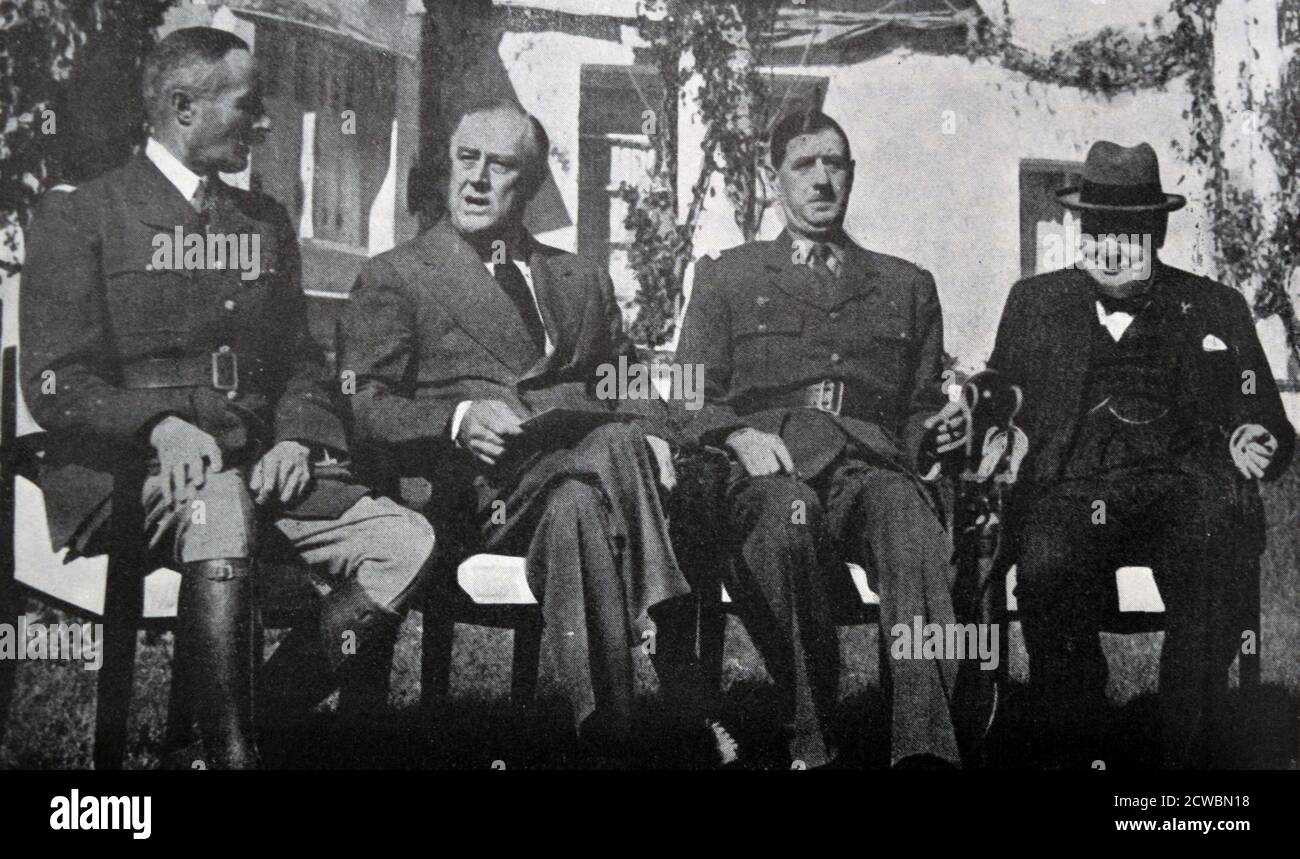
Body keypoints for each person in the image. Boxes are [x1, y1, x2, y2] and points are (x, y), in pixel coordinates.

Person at [19, 27, 435, 768]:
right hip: (132, 477)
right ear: (184, 107)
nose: (264, 122)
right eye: (248, 107)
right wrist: (160, 426)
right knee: (221, 504)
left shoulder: (263, 221)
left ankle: (225, 742)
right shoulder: (82, 216)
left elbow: (301, 359)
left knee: (406, 541)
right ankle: (234, 756)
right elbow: (56, 381)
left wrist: (297, 439)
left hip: (253, 469)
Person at [340, 99, 695, 765]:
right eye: (465, 159)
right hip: (476, 494)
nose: (475, 179)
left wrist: (655, 432)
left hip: (573, 486)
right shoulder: (397, 275)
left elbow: (627, 377)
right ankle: (680, 684)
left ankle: (605, 736)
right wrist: (455, 420)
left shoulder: (577, 275)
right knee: (612, 449)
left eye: (498, 165)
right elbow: (364, 403)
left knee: (581, 502)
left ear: (529, 186)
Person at [673, 109, 971, 768]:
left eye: (834, 164)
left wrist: (936, 428)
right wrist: (735, 435)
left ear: (852, 175)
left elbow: (918, 408)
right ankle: (813, 741)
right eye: (804, 165)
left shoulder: (906, 284)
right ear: (772, 176)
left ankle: (926, 749)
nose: (821, 181)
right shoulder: (728, 275)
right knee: (783, 523)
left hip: (868, 468)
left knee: (910, 521)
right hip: (768, 469)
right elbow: (690, 393)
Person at [987, 140, 1294, 768]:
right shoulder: (1035, 305)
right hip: (1073, 487)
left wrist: (1254, 435)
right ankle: (1081, 743)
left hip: (1184, 485)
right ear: (1079, 228)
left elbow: (1264, 413)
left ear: (1155, 230)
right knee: (1045, 566)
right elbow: (1000, 399)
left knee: (1213, 551)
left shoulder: (1214, 307)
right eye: (1096, 227)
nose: (1109, 244)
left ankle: (1185, 750)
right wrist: (998, 434)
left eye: (1127, 229)